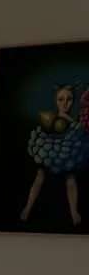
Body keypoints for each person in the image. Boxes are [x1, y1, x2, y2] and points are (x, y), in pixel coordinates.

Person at [20, 82, 89, 228]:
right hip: (50, 151)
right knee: (39, 177)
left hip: (67, 151)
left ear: (73, 101)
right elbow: (45, 131)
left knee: (71, 179)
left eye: (68, 99)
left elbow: (78, 131)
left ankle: (74, 212)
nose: (65, 103)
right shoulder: (49, 119)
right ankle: (28, 207)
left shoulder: (75, 124)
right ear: (56, 100)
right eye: (61, 99)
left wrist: (71, 123)